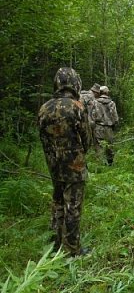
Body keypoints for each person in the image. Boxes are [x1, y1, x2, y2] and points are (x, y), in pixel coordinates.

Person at [38, 67, 91, 256]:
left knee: (58, 201)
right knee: (73, 206)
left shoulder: (44, 108)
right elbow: (86, 139)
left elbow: (43, 139)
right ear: (75, 83)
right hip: (74, 165)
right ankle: (72, 250)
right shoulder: (77, 107)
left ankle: (57, 243)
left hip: (53, 164)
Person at [94, 85, 119, 165]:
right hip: (109, 128)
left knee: (99, 147)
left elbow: (92, 116)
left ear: (100, 93)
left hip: (98, 127)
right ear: (107, 93)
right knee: (109, 146)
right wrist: (115, 126)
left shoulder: (95, 102)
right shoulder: (112, 103)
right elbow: (115, 118)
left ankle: (101, 165)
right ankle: (110, 163)